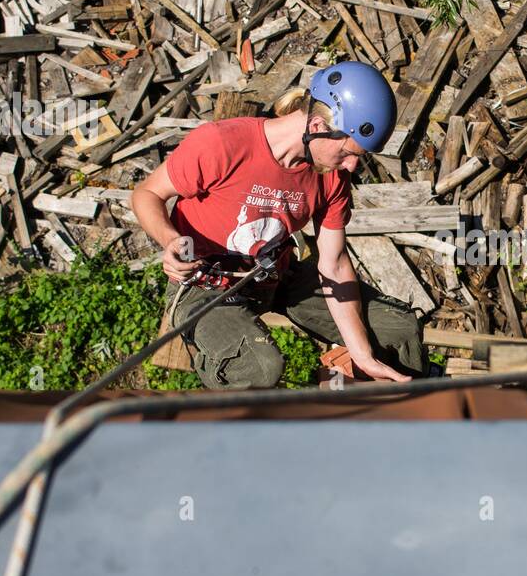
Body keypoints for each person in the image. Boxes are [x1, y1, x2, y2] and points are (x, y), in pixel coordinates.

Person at [130, 60, 424, 389]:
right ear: (316, 126)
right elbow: (147, 193)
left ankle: (370, 415)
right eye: (347, 152)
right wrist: (170, 240)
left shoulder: (330, 176)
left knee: (397, 330)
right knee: (259, 368)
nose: (352, 166)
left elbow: (335, 264)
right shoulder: (222, 144)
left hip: (274, 277)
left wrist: (363, 353)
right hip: (204, 286)